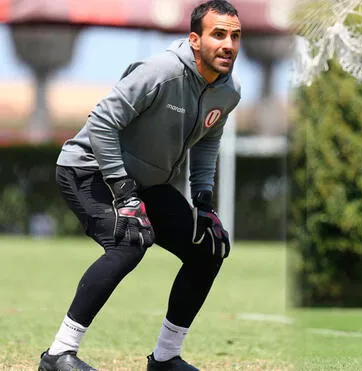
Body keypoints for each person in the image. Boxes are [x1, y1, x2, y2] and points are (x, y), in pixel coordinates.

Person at [38, 1, 241, 370]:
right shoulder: (161, 72)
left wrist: (204, 202)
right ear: (195, 40)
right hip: (89, 170)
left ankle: (164, 359)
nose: (228, 44)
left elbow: (209, 140)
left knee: (207, 249)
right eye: (218, 34)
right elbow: (101, 122)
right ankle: (57, 355)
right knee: (129, 241)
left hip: (145, 182)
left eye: (235, 36)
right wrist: (123, 191)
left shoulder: (228, 92)